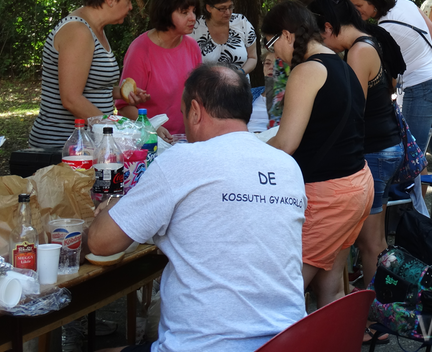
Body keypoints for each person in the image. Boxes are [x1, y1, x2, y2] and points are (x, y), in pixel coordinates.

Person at [87, 65, 306, 352]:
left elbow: (101, 243)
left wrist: (115, 202)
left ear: (195, 111)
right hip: (287, 342)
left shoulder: (183, 160)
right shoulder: (288, 166)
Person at [304, 0, 403, 343]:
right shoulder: (367, 42)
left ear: (329, 27)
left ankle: (376, 319)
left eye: (317, 34)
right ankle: (369, 315)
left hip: (375, 151)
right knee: (371, 241)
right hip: (383, 147)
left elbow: (351, 109)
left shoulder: (359, 51)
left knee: (370, 244)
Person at [262, 1, 372, 309]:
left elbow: (286, 143)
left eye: (271, 43)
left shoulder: (307, 70)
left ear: (286, 35)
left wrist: (248, 153)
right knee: (330, 290)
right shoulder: (341, 64)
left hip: (329, 195)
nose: (274, 54)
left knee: (282, 295)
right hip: (357, 185)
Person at [347, 0, 432, 222]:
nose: (356, 12)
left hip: (422, 84)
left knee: (413, 153)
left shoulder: (383, 28)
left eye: (359, 6)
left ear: (372, 2)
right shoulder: (404, 2)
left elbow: (391, 75)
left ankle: (417, 220)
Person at [29, 0, 145, 148]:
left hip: (85, 145)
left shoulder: (96, 30)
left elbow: (90, 87)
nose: (131, 7)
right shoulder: (78, 31)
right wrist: (113, 129)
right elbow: (71, 99)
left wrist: (122, 93)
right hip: (61, 147)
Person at [116, 0, 203, 139]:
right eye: (184, 12)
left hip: (186, 139)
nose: (192, 18)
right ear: (165, 14)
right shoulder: (140, 50)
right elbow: (123, 107)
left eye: (194, 11)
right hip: (149, 141)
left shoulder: (192, 46)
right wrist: (152, 127)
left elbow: (199, 95)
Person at [190, 0, 257, 76]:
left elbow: (253, 57)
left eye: (230, 7)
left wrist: (240, 73)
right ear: (209, 8)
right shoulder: (195, 27)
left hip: (240, 83)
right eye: (222, 8)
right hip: (205, 84)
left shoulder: (242, 22)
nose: (228, 12)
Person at [247, 50, 276, 133]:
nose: (271, 67)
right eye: (267, 63)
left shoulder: (290, 97)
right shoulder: (251, 93)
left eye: (277, 63)